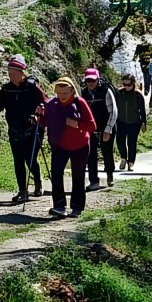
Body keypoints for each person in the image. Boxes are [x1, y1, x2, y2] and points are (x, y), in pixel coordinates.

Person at [0, 54, 46, 203]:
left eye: (14, 74)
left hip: (33, 129)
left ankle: (38, 181)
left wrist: (39, 110)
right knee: (18, 160)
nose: (11, 77)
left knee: (30, 160)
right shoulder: (6, 89)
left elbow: (45, 103)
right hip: (14, 129)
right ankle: (22, 191)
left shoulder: (32, 87)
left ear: (22, 73)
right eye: (10, 74)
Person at [38, 77, 96, 218]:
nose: (62, 96)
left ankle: (77, 207)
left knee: (78, 176)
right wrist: (39, 115)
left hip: (80, 146)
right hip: (60, 145)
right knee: (56, 174)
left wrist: (76, 124)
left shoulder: (80, 103)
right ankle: (59, 206)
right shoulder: (52, 104)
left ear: (72, 91)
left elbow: (92, 126)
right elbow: (44, 122)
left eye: (65, 93)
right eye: (59, 93)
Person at [80, 68, 116, 189]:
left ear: (98, 80)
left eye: (93, 80)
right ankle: (93, 181)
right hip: (91, 127)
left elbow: (114, 111)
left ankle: (110, 174)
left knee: (107, 152)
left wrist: (108, 129)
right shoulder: (84, 93)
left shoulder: (106, 91)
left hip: (107, 125)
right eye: (88, 80)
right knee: (91, 154)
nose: (90, 83)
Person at [112, 73, 147, 172]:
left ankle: (131, 162)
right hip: (121, 121)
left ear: (133, 83)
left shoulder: (138, 95)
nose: (127, 87)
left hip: (135, 122)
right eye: (124, 84)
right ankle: (123, 158)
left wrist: (144, 123)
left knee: (132, 143)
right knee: (120, 141)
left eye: (129, 85)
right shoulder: (119, 93)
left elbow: (142, 110)